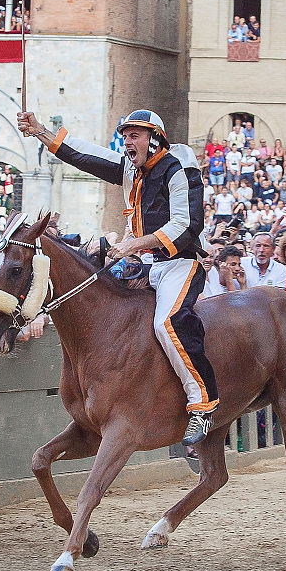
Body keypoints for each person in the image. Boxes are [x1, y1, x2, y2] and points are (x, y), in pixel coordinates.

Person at [17, 108, 219, 446]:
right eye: (125, 135)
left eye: (134, 135)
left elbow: (187, 224)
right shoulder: (131, 167)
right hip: (144, 262)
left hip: (180, 263)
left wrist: (134, 243)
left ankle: (203, 404)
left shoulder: (179, 165)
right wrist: (39, 131)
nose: (127, 141)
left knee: (165, 324)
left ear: (155, 139)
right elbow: (85, 155)